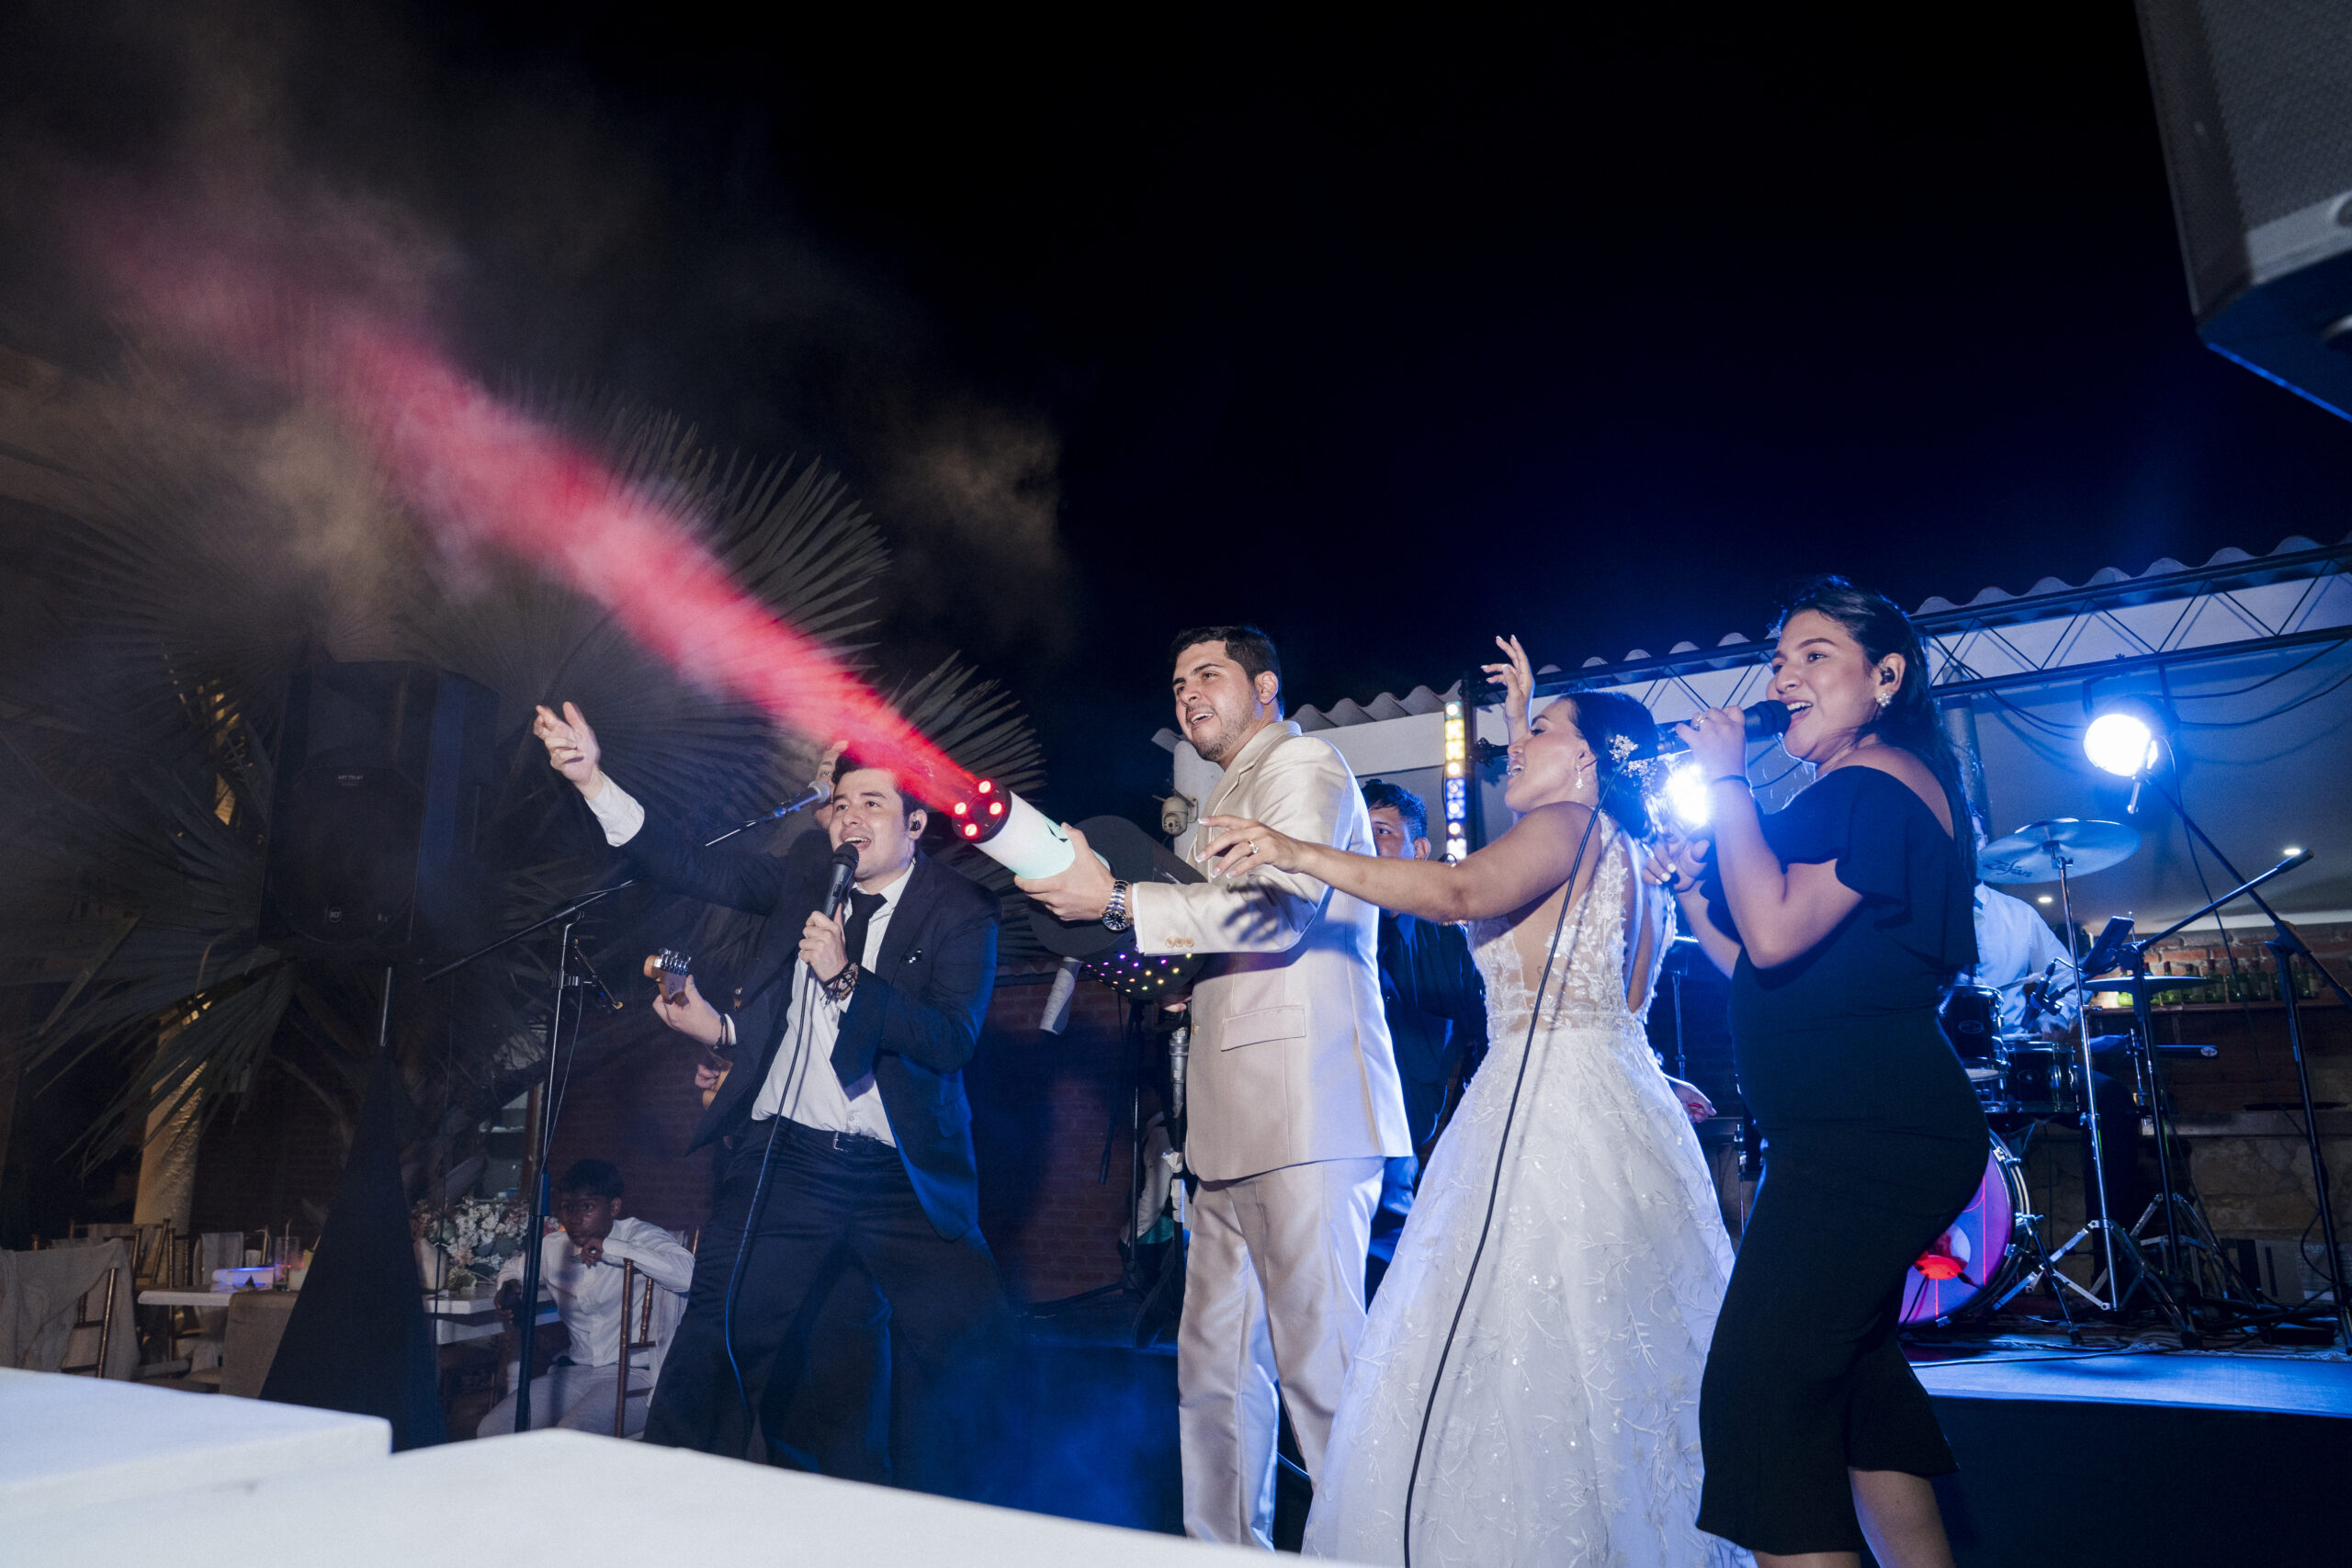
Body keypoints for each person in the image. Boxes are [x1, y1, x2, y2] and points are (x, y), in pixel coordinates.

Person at [1196, 684, 1747, 1567]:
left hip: (1544, 1119)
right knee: (1613, 1359)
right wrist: (1526, 718)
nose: (1512, 746)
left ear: (1588, 760)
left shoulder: (1568, 824)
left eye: (1538, 733)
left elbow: (1458, 890)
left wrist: (1296, 849)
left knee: (1518, 1351)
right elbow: (1605, 997)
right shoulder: (1627, 850)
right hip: (1622, 1109)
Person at [532, 703, 1012, 1499]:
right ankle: (668, 1511)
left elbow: (949, 1039)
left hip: (901, 1176)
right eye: (843, 802)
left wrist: (846, 977)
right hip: (790, 1162)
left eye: (873, 804)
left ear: (916, 824)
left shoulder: (963, 911)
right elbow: (692, 866)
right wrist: (594, 781)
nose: (850, 818)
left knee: (977, 1354)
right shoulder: (803, 878)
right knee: (718, 1338)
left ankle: (992, 1522)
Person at [1020, 626, 1412, 1549]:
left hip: (1307, 1113)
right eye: (1176, 683)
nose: (1187, 692)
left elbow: (1279, 909)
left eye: (1208, 674)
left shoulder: (1303, 765)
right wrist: (1138, 938)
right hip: (1226, 1130)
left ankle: (1378, 1548)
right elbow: (1210, 942)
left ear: (1266, 687)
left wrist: (1117, 903)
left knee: (1323, 1373)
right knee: (1213, 1378)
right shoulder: (1219, 798)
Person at [1661, 576, 1984, 1568]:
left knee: (1759, 1393)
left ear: (1886, 677)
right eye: (1778, 659)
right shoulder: (1864, 787)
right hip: (1849, 1134)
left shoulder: (1873, 782)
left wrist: (1726, 785)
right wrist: (1695, 892)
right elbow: (1758, 965)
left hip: (1869, 1138)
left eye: (1814, 656)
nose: (1782, 678)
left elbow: (1771, 931)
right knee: (1852, 1388)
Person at [481, 1159, 696, 1437]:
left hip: (637, 1375)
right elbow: (515, 1268)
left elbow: (688, 1274)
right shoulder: (554, 1247)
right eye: (568, 1208)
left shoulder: (640, 1236)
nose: (574, 1219)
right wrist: (510, 1285)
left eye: (587, 1208)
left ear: (614, 1207)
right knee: (492, 1430)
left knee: (572, 1434)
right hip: (575, 1371)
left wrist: (612, 1248)